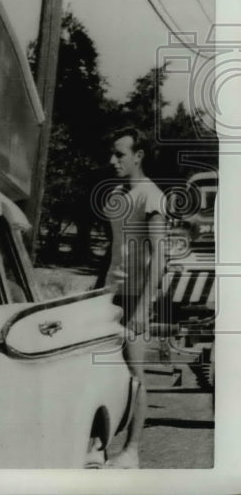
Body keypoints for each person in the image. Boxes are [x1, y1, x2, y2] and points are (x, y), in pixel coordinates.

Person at [100, 127, 167, 469]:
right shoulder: (117, 194)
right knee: (100, 369)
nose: (113, 161)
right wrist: (98, 292)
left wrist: (143, 308)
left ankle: (132, 452)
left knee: (134, 371)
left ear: (138, 156)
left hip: (135, 297)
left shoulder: (152, 196)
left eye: (120, 154)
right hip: (111, 294)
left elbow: (159, 256)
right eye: (112, 154)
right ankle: (100, 446)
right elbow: (114, 250)